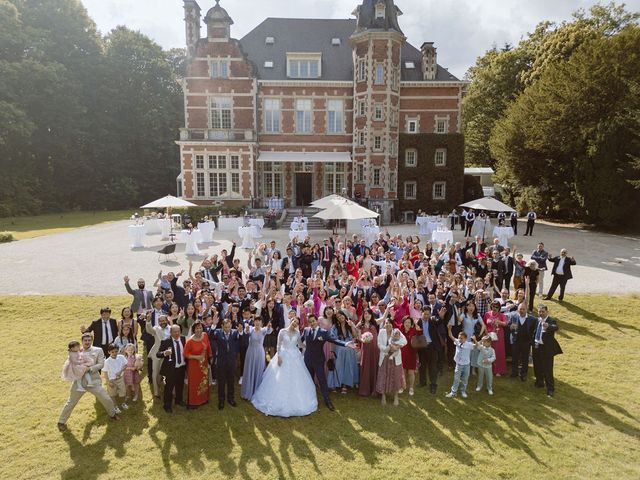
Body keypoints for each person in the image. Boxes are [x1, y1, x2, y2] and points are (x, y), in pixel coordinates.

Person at [251, 318, 319, 417]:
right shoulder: (282, 331)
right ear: (291, 321)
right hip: (283, 355)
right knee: (279, 377)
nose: (295, 323)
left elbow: (299, 344)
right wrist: (279, 356)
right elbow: (278, 345)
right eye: (294, 321)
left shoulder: (297, 333)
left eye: (297, 322)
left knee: (297, 378)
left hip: (295, 356)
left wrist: (309, 346)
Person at [58, 333, 119, 432]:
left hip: (93, 381)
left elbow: (101, 364)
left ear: (92, 341)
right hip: (79, 383)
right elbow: (70, 364)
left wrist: (89, 369)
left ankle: (113, 414)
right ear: (82, 341)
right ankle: (61, 422)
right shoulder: (76, 351)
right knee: (71, 402)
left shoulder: (98, 350)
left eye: (89, 340)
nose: (87, 342)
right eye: (85, 340)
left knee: (106, 398)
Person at [300, 313, 353, 411]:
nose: (312, 323)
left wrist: (345, 343)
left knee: (322, 381)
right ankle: (308, 399)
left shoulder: (324, 332)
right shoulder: (306, 330)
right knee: (308, 380)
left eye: (313, 321)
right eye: (310, 322)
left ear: (317, 321)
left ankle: (327, 401)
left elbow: (334, 340)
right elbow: (299, 340)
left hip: (319, 361)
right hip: (307, 360)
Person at [210, 318, 243, 409]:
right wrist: (213, 325)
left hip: (231, 361)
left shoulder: (235, 332)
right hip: (221, 361)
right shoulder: (218, 332)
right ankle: (221, 400)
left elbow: (242, 340)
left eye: (229, 327)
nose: (227, 329)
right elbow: (211, 336)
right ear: (222, 326)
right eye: (226, 327)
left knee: (231, 381)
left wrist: (241, 332)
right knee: (221, 382)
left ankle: (231, 398)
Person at [532, 304, 563, 397]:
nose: (541, 313)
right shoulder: (537, 320)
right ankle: (539, 382)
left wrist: (548, 326)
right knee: (537, 366)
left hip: (546, 349)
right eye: (539, 311)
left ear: (547, 312)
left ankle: (550, 389)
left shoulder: (551, 320)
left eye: (542, 311)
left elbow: (555, 327)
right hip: (537, 346)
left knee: (548, 369)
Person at [376, 319, 407, 406]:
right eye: (386, 323)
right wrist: (387, 348)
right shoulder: (381, 332)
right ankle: (383, 396)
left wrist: (397, 346)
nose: (388, 324)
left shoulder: (396, 331)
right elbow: (379, 344)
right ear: (384, 325)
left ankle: (396, 396)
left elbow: (405, 341)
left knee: (396, 376)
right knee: (383, 376)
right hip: (385, 357)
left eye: (390, 323)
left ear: (392, 325)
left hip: (395, 358)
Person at [241, 317, 272, 400]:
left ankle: (257, 391)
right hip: (251, 352)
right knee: (250, 370)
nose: (257, 323)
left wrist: (269, 326)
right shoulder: (251, 329)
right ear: (254, 322)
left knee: (259, 370)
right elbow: (246, 331)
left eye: (259, 321)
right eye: (256, 321)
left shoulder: (263, 330)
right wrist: (246, 329)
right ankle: (248, 391)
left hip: (259, 353)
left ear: (261, 323)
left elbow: (269, 330)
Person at [157, 325, 187, 413]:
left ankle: (179, 400)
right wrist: (164, 353)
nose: (177, 333)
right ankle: (167, 405)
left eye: (178, 331)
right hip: (171, 369)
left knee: (180, 385)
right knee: (169, 388)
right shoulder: (166, 342)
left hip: (181, 367)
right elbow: (158, 354)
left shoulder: (183, 339)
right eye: (175, 332)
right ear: (170, 333)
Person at [184, 321, 212, 409]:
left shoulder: (205, 335)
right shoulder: (190, 341)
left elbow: (209, 347)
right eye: (197, 328)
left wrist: (210, 356)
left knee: (203, 381)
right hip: (194, 365)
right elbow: (185, 354)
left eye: (200, 328)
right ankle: (193, 402)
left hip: (204, 364)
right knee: (194, 383)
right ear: (193, 330)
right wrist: (197, 357)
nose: (199, 330)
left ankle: (204, 399)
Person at [507, 302, 537, 381]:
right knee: (515, 358)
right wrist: (511, 327)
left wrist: (531, 341)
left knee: (525, 359)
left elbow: (535, 331)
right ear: (518, 309)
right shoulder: (513, 316)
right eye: (520, 309)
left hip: (526, 342)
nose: (522, 310)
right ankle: (514, 372)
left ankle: (524, 374)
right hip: (516, 341)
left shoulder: (532, 319)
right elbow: (508, 326)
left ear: (526, 309)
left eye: (523, 309)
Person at [445, 331, 475, 398]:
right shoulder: (457, 341)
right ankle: (453, 392)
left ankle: (463, 391)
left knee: (465, 379)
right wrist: (449, 329)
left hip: (466, 365)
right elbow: (450, 335)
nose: (460, 339)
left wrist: (475, 340)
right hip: (458, 364)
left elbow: (477, 345)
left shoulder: (469, 344)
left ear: (465, 339)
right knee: (456, 378)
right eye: (459, 338)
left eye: (461, 338)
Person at [483, 301, 508, 376]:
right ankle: (487, 368)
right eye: (493, 306)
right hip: (489, 335)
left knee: (498, 352)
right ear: (491, 306)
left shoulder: (502, 315)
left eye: (497, 307)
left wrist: (499, 322)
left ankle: (498, 370)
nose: (495, 308)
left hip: (498, 336)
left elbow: (506, 323)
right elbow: (483, 324)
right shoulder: (487, 314)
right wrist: (485, 332)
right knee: (488, 352)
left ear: (499, 308)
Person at [103, 344, 129, 413]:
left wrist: (120, 371)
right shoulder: (107, 362)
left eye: (116, 351)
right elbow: (105, 373)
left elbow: (126, 365)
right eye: (112, 352)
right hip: (111, 380)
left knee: (123, 393)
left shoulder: (121, 357)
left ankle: (123, 403)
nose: (114, 353)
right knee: (112, 394)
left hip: (120, 379)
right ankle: (115, 406)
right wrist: (109, 382)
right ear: (109, 352)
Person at [399, 316, 419, 396]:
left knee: (411, 372)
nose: (407, 324)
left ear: (411, 324)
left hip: (412, 354)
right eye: (405, 322)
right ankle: (402, 386)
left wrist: (418, 330)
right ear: (403, 323)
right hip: (402, 355)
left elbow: (419, 338)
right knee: (402, 372)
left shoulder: (414, 330)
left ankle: (411, 387)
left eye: (409, 322)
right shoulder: (400, 331)